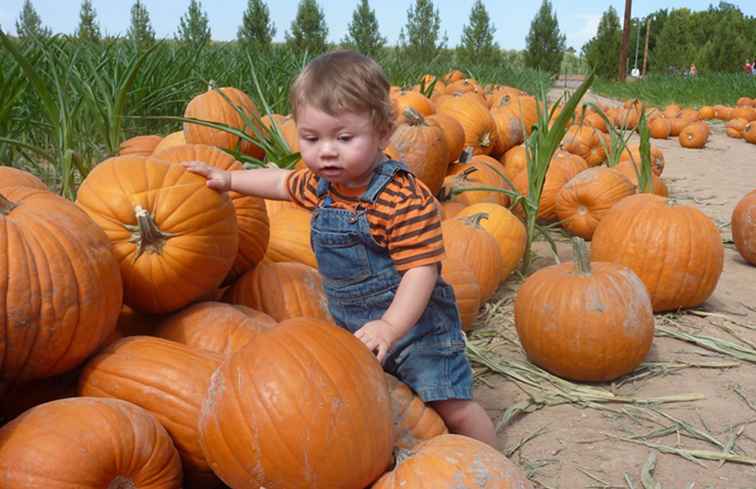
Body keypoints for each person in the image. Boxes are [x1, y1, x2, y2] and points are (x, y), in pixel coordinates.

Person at [185, 50, 498, 447]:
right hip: (355, 327)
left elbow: (422, 270)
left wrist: (391, 326)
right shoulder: (323, 186)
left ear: (384, 133)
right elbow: (281, 183)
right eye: (311, 139)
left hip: (417, 329)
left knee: (452, 405)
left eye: (344, 138)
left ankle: (490, 458)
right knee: (383, 403)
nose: (326, 151)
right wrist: (229, 181)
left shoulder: (402, 198)